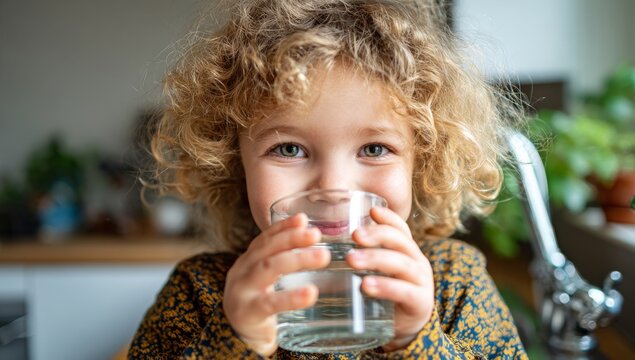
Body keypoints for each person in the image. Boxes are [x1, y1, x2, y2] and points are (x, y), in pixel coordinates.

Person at [129, 0, 528, 358]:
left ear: (421, 164)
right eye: (288, 149)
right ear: (235, 165)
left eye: (374, 149)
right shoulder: (198, 293)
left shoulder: (455, 283)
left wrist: (416, 339)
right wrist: (235, 341)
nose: (333, 188)